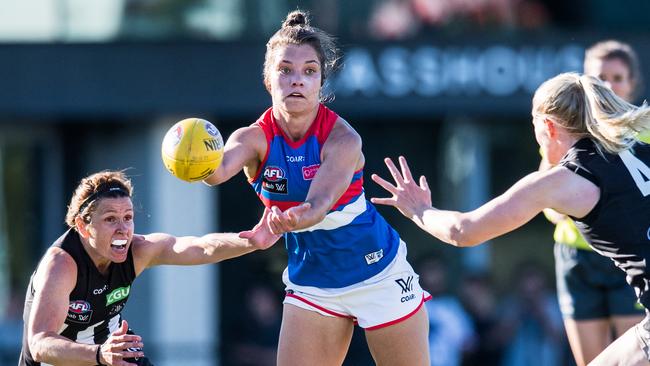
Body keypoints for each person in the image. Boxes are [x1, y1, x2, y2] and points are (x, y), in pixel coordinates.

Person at [370, 72, 650, 365]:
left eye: (534, 125)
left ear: (548, 127)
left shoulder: (564, 180)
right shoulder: (641, 148)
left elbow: (463, 231)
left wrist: (419, 210)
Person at [203, 10, 431, 365]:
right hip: (313, 281)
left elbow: (319, 204)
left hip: (378, 273)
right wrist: (190, 157)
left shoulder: (342, 138)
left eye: (310, 71)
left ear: (321, 82)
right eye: (285, 70)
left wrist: (293, 219)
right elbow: (216, 172)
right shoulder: (252, 138)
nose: (298, 80)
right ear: (268, 78)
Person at [18, 170, 279, 366]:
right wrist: (99, 353)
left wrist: (253, 242)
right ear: (83, 226)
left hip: (114, 354)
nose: (123, 229)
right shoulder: (61, 264)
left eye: (128, 218)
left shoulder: (137, 250)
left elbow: (201, 247)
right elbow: (40, 342)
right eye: (110, 219)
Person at [540, 39, 646, 366]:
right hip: (578, 258)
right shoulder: (565, 135)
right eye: (600, 78)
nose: (608, 86)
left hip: (631, 256)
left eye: (617, 78)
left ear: (632, 84)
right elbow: (548, 208)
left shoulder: (644, 129)